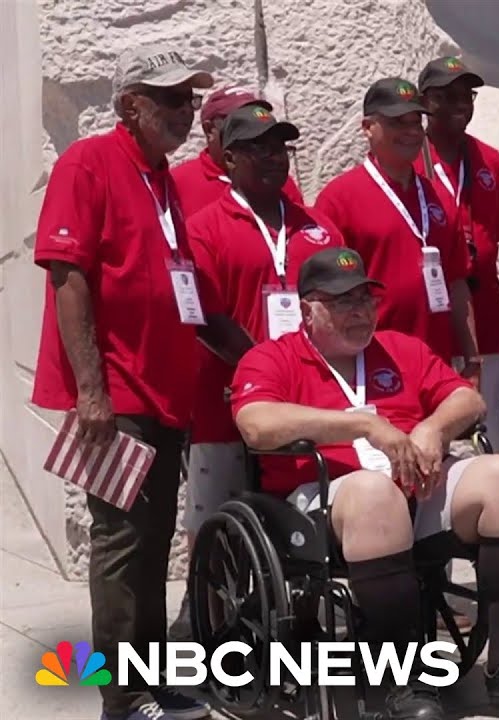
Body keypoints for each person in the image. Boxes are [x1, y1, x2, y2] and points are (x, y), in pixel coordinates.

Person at [230, 248, 499, 719]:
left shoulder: (401, 349)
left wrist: (432, 428)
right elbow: (256, 423)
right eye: (342, 302)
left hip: (416, 486)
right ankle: (404, 679)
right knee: (375, 495)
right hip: (327, 498)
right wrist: (360, 426)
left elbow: (466, 399)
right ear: (307, 308)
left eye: (365, 299)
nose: (360, 311)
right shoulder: (273, 357)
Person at [32, 44, 214, 720]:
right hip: (119, 393)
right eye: (170, 99)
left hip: (165, 391)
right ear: (130, 105)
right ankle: (122, 697)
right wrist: (90, 389)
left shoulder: (162, 177)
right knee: (120, 543)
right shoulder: (90, 163)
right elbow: (66, 275)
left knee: (153, 537)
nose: (185, 111)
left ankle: (149, 675)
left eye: (189, 99)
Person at [184, 104, 344, 544]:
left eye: (280, 147)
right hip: (224, 407)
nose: (274, 157)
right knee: (217, 532)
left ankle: (305, 612)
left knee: (308, 525)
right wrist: (266, 371)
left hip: (311, 401)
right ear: (229, 158)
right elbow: (206, 317)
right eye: (259, 148)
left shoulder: (319, 229)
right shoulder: (202, 229)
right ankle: (209, 614)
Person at [314, 78, 480, 382]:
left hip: (437, 364)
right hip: (372, 366)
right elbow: (325, 296)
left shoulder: (439, 197)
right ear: (367, 127)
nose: (411, 132)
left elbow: (457, 282)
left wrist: (471, 359)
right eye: (397, 123)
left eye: (416, 122)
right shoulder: (339, 199)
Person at [416, 56, 499, 453]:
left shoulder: (490, 161)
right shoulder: (411, 160)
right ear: (426, 101)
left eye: (467, 94)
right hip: (432, 322)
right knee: (437, 430)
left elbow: (497, 234)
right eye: (448, 95)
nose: (461, 103)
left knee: (493, 426)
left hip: (486, 315)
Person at [172, 85, 305, 212]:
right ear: (209, 130)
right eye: (239, 121)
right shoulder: (177, 184)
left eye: (256, 118)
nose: (253, 129)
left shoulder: (279, 181)